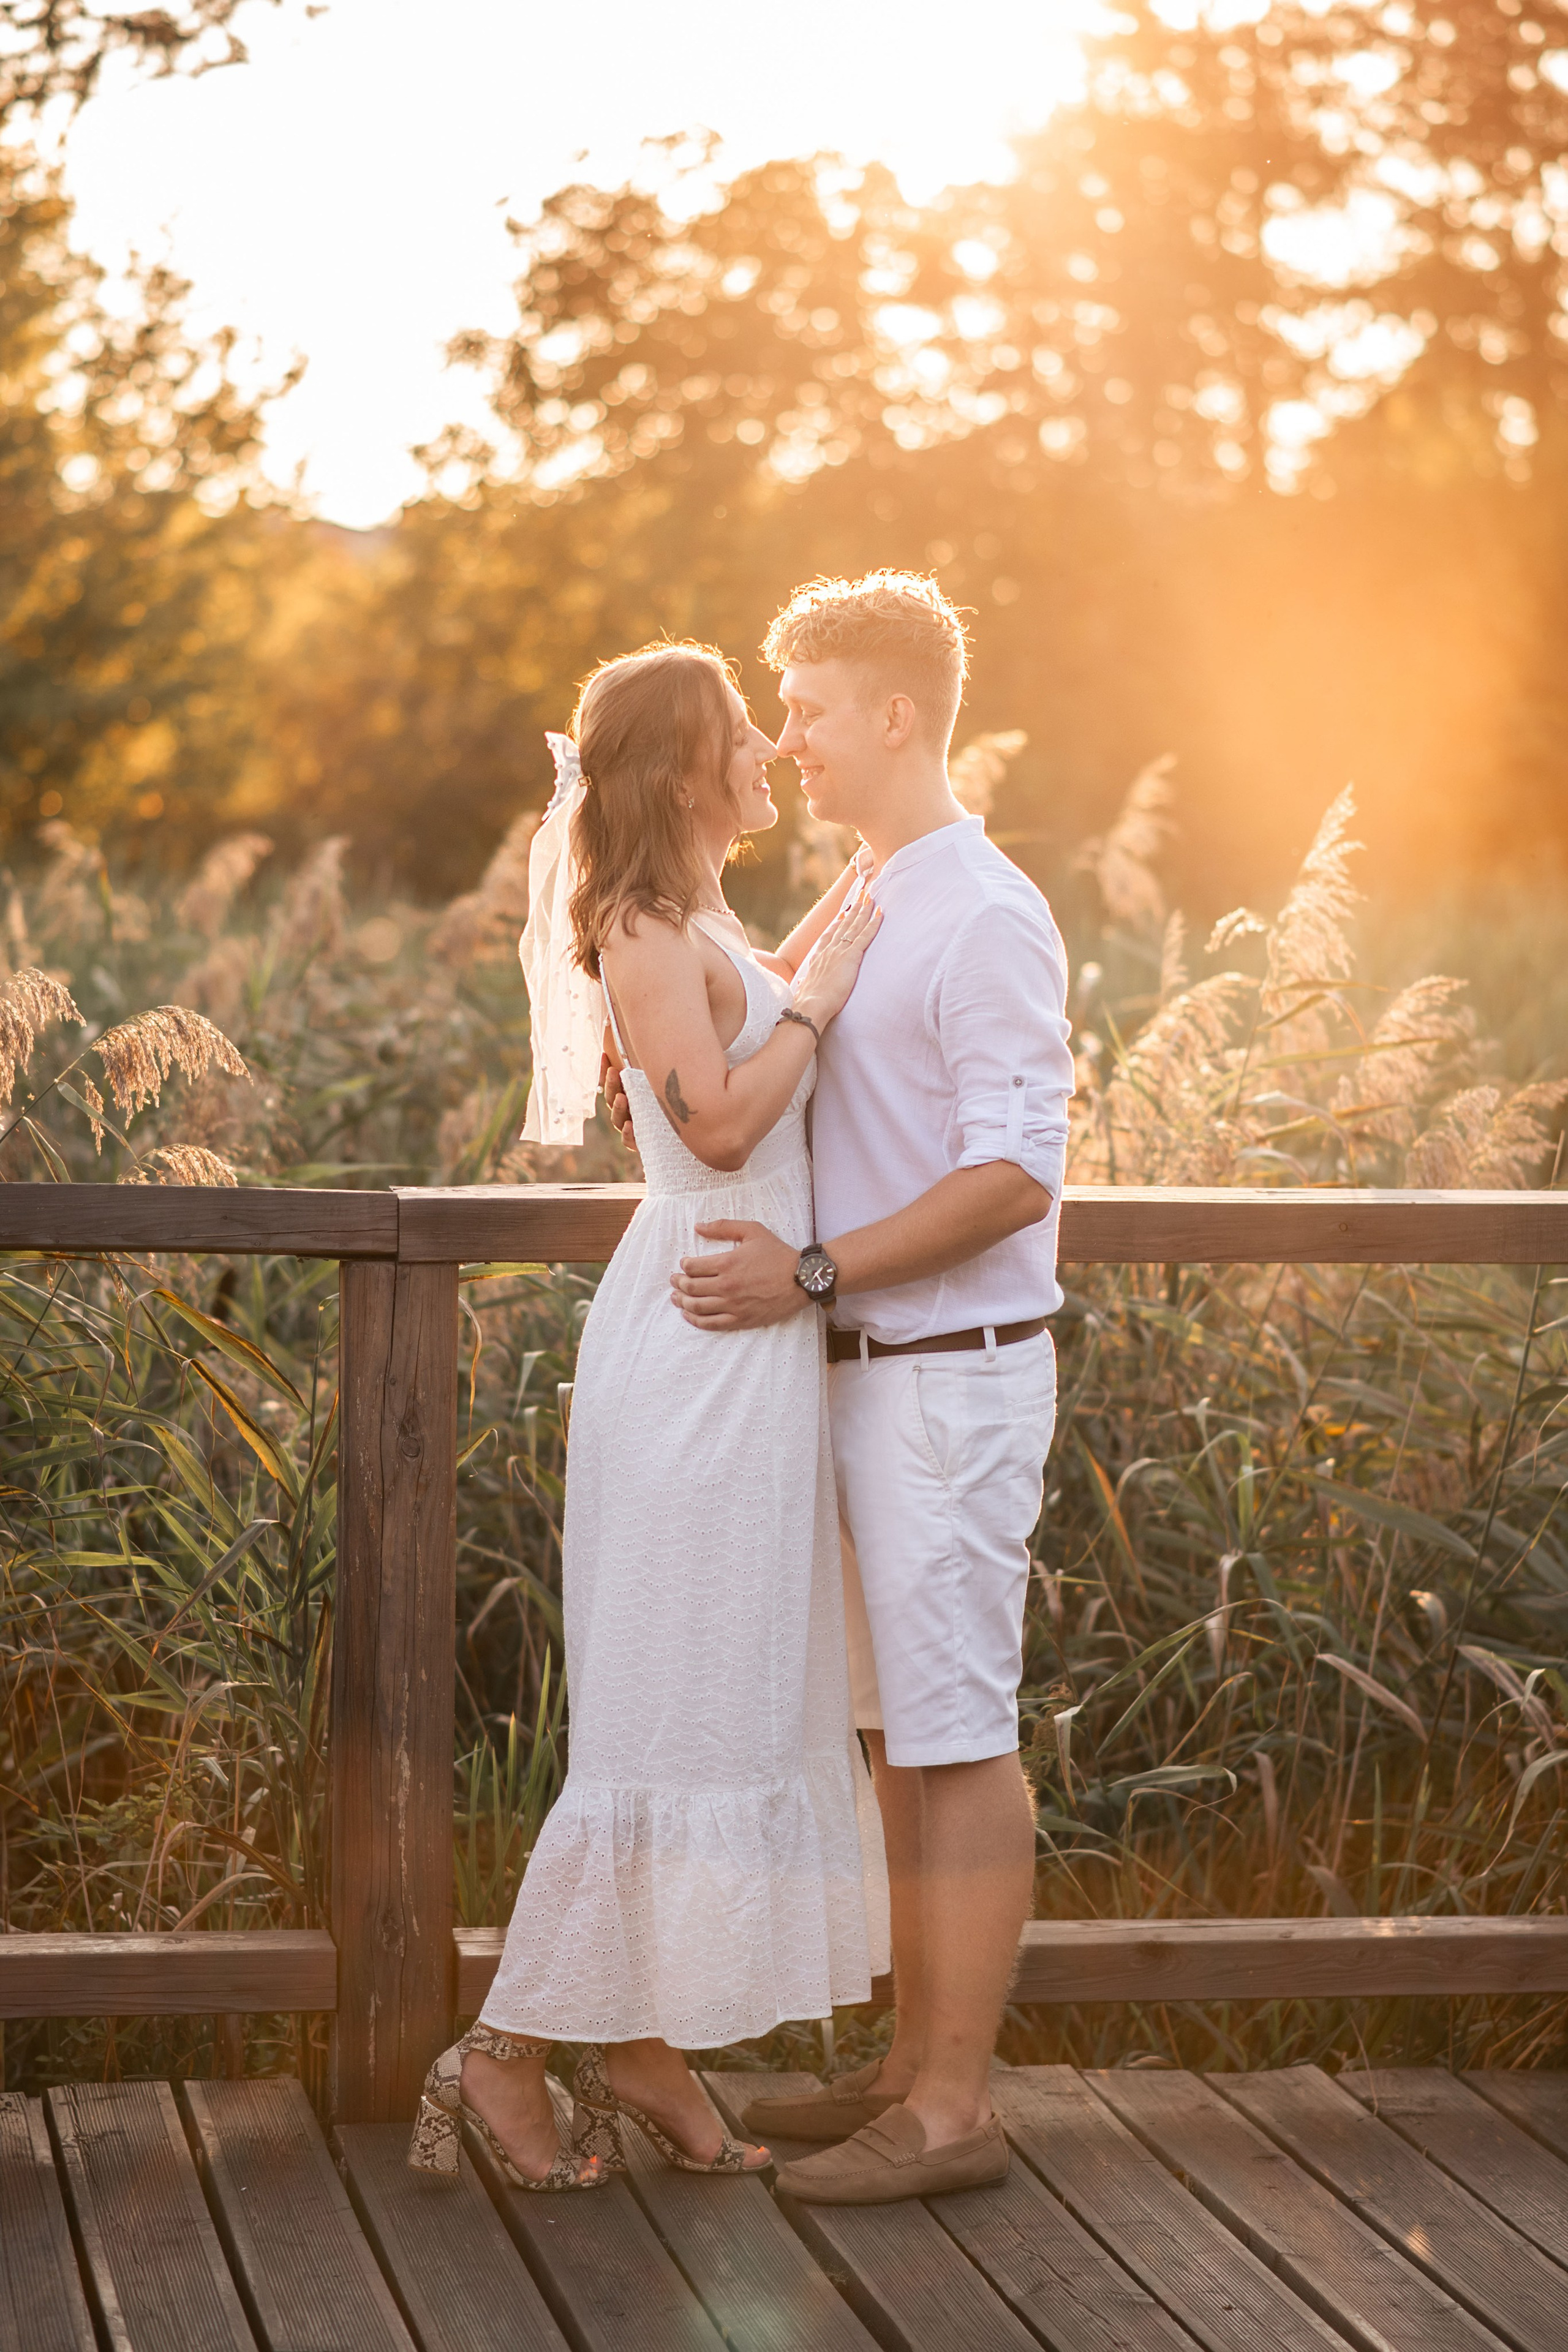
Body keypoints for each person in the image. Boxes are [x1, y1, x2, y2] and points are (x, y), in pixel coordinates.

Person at [408, 641, 889, 2193]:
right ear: (683, 768)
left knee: (723, 1699)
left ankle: (643, 2049)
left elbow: (756, 1010)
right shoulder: (636, 928)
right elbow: (724, 1121)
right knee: (666, 1709)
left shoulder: (706, 921)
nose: (768, 750)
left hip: (753, 1343)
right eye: (744, 731)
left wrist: (869, 887)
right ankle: (502, 2054)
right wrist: (821, 1002)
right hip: (695, 1344)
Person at [662, 573, 1074, 2205]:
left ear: (896, 714)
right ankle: (906, 2071)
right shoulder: (873, 888)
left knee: (957, 1741)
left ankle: (954, 2113)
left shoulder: (982, 913)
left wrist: (814, 1275)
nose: (786, 741)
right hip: (859, 1383)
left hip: (948, 1385)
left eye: (809, 710)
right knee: (900, 1737)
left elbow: (1015, 1179)